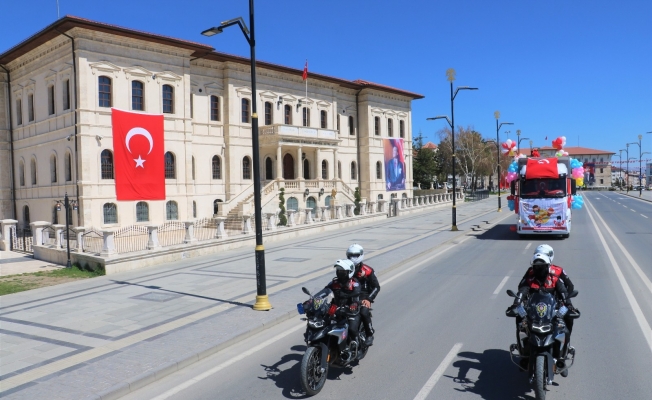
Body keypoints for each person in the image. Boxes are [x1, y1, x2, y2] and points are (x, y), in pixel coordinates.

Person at [508, 252, 576, 375]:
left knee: (566, 327)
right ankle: (524, 354)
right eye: (536, 266)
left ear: (547, 266)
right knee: (520, 325)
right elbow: (522, 291)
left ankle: (562, 358)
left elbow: (564, 292)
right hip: (533, 312)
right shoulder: (530, 279)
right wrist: (516, 304)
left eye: (542, 266)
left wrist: (569, 305)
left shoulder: (554, 278)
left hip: (553, 311)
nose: (539, 269)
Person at [346, 244, 380, 346]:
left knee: (364, 312)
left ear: (360, 255)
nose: (353, 257)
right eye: (350, 255)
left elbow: (376, 287)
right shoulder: (345, 268)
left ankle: (369, 334)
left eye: (355, 255)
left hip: (362, 297)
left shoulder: (368, 270)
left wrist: (369, 299)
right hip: (348, 296)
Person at [325, 259, 362, 341]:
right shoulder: (334, 283)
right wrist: (313, 299)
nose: (340, 273)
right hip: (336, 310)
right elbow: (325, 291)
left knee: (352, 329)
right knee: (324, 324)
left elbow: (357, 293)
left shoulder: (354, 283)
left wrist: (353, 304)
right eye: (339, 271)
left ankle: (356, 342)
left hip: (351, 311)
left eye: (343, 271)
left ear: (350, 272)